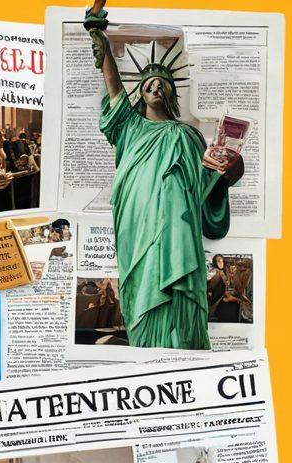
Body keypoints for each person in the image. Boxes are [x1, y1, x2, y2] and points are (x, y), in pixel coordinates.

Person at [86, 6, 243, 350]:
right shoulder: (130, 126)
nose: (156, 87)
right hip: (137, 217)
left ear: (171, 93)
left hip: (178, 222)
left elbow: (206, 184)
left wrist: (229, 171)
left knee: (180, 284)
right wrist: (99, 36)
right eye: (149, 84)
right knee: (143, 281)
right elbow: (113, 88)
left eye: (163, 84)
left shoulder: (187, 135)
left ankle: (181, 348)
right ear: (140, 93)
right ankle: (145, 345)